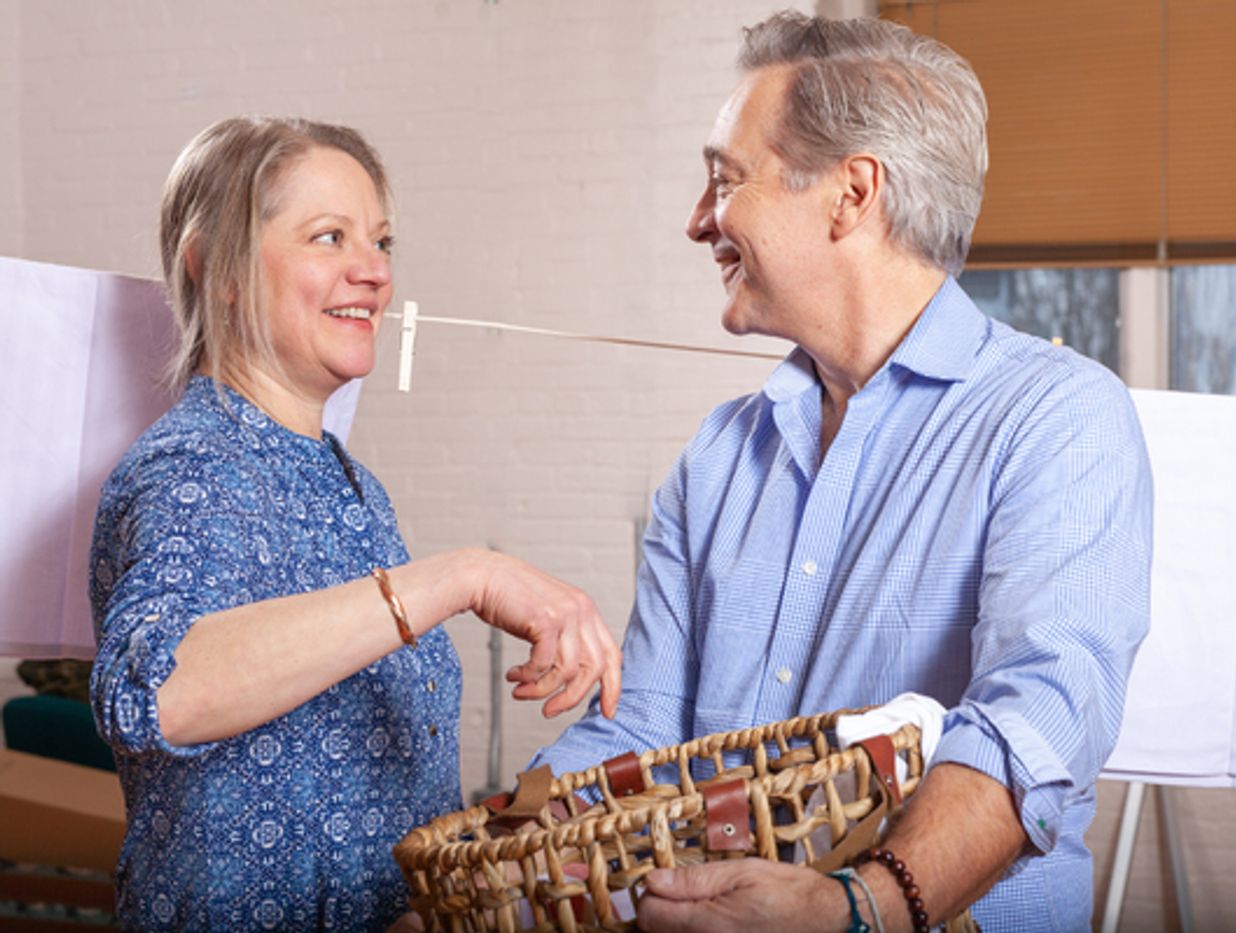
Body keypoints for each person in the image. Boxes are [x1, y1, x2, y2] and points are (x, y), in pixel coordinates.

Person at [535, 12, 1152, 933]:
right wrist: (500, 864)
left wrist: (857, 909)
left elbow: (1033, 724)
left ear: (852, 193)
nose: (701, 219)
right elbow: (641, 735)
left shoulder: (1055, 417)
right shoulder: (719, 453)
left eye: (725, 179)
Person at [88, 116, 621, 931]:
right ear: (214, 269)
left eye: (380, 241)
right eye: (328, 237)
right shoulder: (192, 467)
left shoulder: (354, 488)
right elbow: (156, 694)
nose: (373, 271)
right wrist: (462, 574)